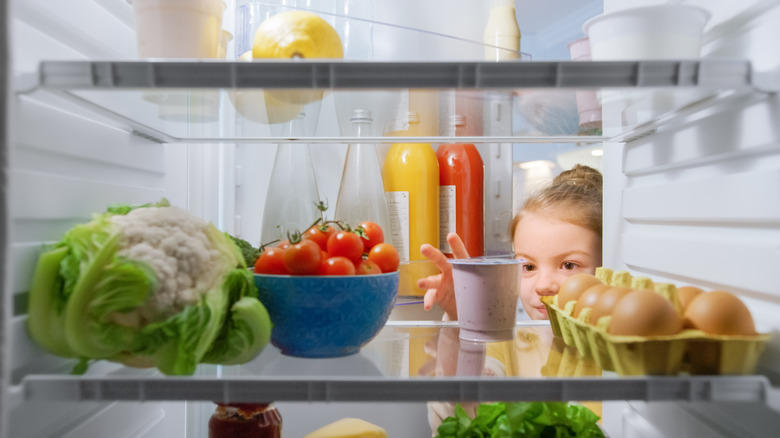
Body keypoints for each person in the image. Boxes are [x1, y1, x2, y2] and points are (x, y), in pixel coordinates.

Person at [418, 163, 604, 321]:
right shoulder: (507, 349)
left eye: (569, 265)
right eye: (529, 267)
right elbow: (471, 364)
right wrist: (461, 317)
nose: (544, 285)